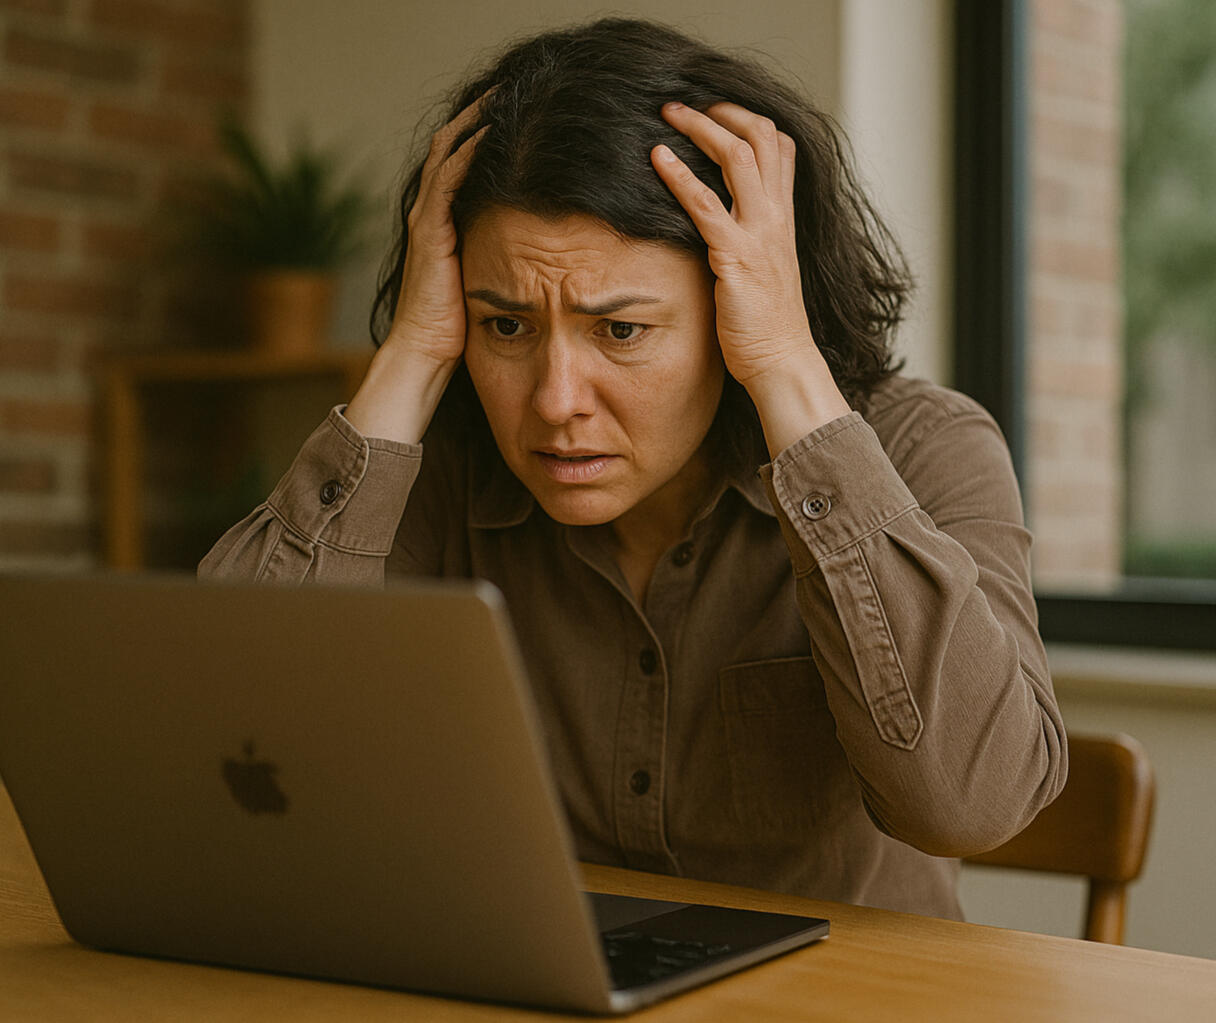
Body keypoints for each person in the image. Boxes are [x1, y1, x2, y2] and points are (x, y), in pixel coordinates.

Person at [201, 17, 1067, 919]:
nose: (554, 401)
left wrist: (784, 359)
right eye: (506, 325)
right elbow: (225, 737)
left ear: (740, 308)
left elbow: (973, 804)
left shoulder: (928, 449)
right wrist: (413, 351)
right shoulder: (440, 470)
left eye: (620, 330)